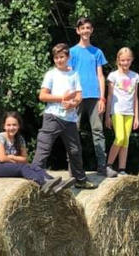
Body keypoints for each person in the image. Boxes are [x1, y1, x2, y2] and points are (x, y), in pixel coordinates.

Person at [32, 44, 97, 189]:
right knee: (44, 148)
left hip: (70, 119)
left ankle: (80, 180)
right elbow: (43, 96)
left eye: (61, 57)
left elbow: (79, 96)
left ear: (68, 57)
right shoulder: (51, 74)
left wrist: (73, 103)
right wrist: (62, 98)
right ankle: (34, 180)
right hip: (52, 117)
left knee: (75, 150)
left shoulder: (74, 74)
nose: (59, 60)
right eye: (56, 57)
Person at [69, 17, 117, 178]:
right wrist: (70, 96)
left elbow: (100, 76)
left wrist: (102, 98)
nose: (85, 31)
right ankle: (74, 168)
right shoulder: (72, 52)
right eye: (82, 28)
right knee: (73, 131)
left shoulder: (97, 52)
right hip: (77, 96)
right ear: (78, 31)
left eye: (88, 28)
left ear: (92, 30)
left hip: (95, 97)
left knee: (98, 131)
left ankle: (102, 167)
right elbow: (69, 75)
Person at [0, 112, 67, 193]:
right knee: (23, 167)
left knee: (34, 166)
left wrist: (12, 157)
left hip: (11, 165)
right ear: (4, 126)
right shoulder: (0, 137)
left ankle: (55, 182)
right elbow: (2, 158)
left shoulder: (20, 139)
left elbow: (25, 159)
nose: (11, 127)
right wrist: (16, 160)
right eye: (8, 125)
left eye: (14, 125)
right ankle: (43, 183)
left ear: (19, 126)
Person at [104, 47, 139, 176]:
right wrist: (107, 116)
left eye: (128, 60)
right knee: (119, 137)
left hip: (129, 112)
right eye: (123, 60)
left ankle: (122, 169)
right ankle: (108, 165)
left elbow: (135, 97)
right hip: (117, 110)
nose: (125, 62)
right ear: (118, 60)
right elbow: (109, 96)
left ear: (132, 60)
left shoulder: (135, 76)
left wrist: (136, 117)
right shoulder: (113, 76)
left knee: (126, 141)